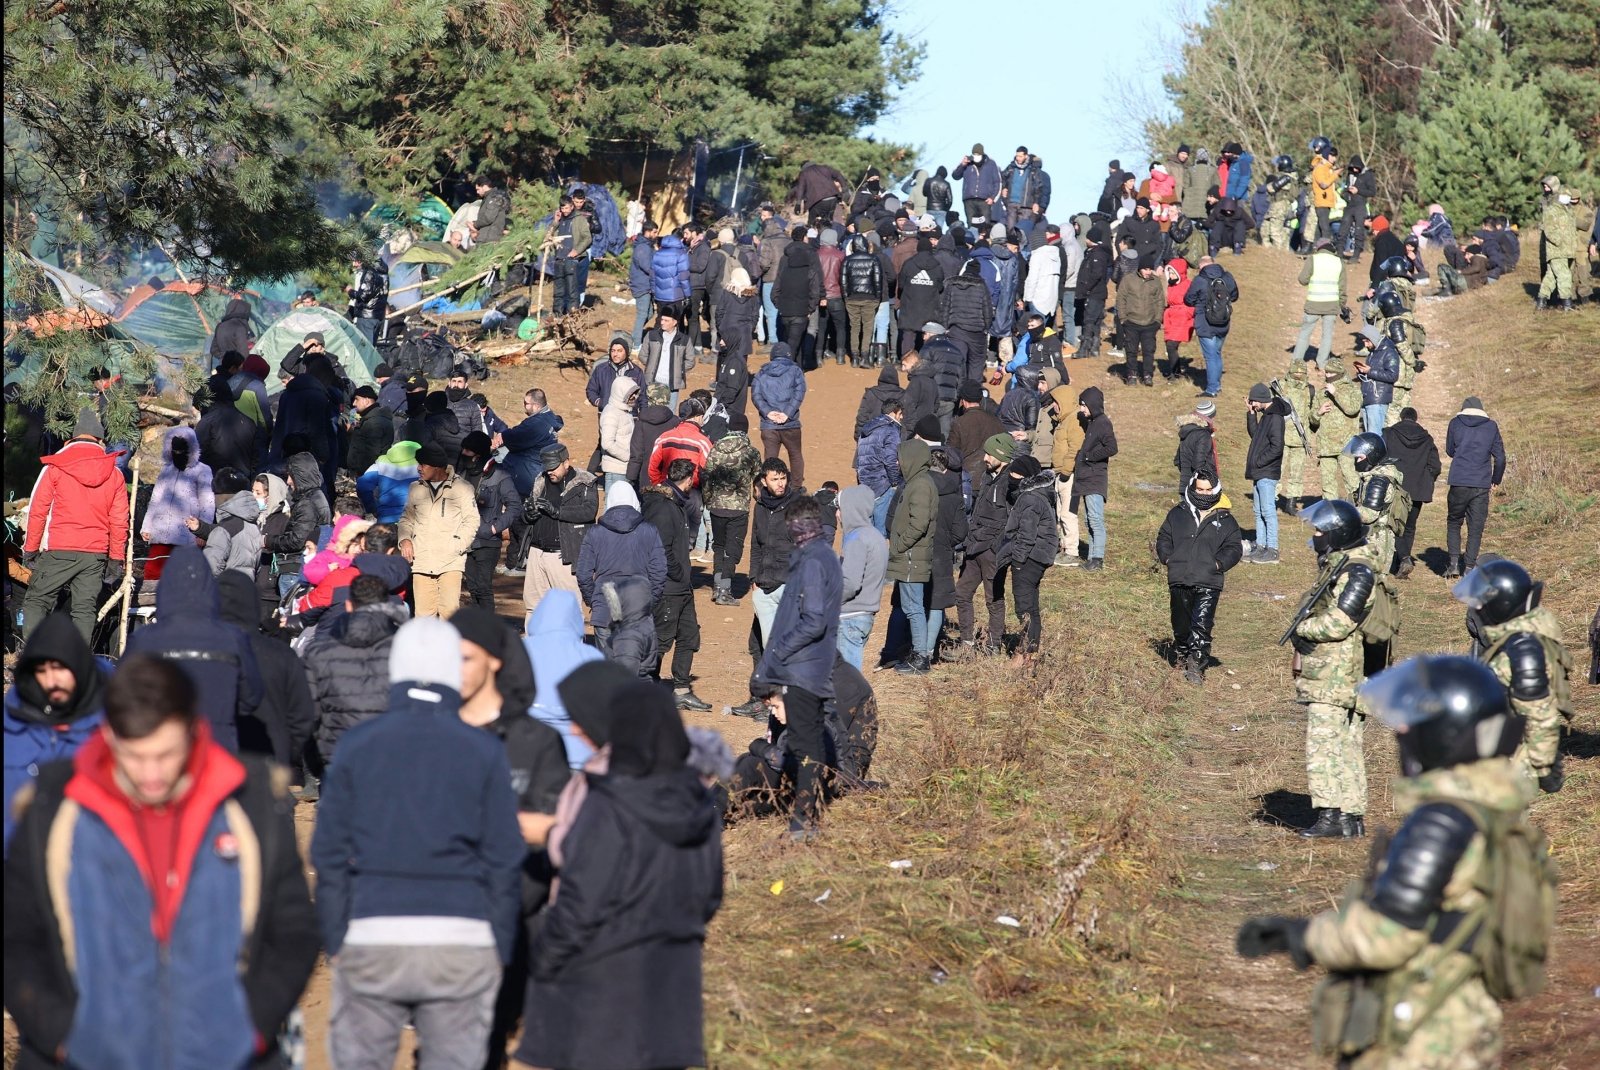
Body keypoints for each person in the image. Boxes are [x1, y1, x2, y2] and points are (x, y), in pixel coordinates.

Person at [4, 653, 319, 1070]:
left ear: (193, 731)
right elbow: (19, 936)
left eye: (166, 755)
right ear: (110, 736)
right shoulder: (55, 807)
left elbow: (292, 930)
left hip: (226, 1055)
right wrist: (60, 1033)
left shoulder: (251, 801)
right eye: (135, 758)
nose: (152, 775)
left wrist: (250, 1024)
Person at [1242, 656, 1549, 1065]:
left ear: (1441, 732)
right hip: (1466, 1018)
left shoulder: (1441, 822)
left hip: (1421, 1033)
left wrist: (1301, 936)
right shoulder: (1491, 807)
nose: (1401, 732)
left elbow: (1386, 937)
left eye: (1411, 723)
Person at [311, 618, 524, 1070]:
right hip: (463, 939)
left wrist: (337, 936)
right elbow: (505, 859)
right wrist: (499, 944)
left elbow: (328, 854)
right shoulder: (484, 750)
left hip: (371, 933)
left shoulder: (357, 746)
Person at [515, 680, 723, 1070]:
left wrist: (542, 960)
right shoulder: (698, 803)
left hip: (602, 985)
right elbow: (710, 897)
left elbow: (581, 901)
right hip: (673, 985)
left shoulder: (607, 804)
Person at [1288, 500, 1383, 839]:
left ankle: (1331, 817)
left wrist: (1304, 629)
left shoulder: (1356, 572)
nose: (1314, 536)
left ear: (1337, 533)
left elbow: (1339, 623)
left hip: (1337, 674)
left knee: (1325, 745)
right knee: (1345, 745)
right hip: (1340, 672)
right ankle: (1350, 817)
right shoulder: (1345, 564)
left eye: (1319, 531)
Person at [749, 496, 842, 840]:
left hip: (804, 668)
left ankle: (805, 821)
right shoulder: (817, 557)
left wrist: (779, 654)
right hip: (809, 666)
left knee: (805, 746)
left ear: (798, 526)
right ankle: (808, 816)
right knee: (809, 743)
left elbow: (813, 620)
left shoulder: (815, 561)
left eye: (792, 527)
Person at [1453, 559, 1574, 798]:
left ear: (1500, 605)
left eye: (1482, 603)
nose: (1478, 609)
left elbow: (1540, 715)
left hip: (1511, 767)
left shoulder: (1523, 650)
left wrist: (1545, 767)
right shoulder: (1514, 634)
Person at [124, 545, 263, 754]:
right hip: (217, 749)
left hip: (159, 751)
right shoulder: (232, 638)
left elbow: (120, 696)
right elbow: (251, 696)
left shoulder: (144, 639)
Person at [2, 613, 109, 853]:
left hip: (88, 864)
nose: (51, 681)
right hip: (19, 866)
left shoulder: (111, 725)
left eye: (60, 669)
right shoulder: (11, 723)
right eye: (41, 670)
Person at [19, 409, 129, 643]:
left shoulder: (55, 467)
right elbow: (119, 521)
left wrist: (30, 549)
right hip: (95, 554)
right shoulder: (115, 474)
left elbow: (38, 511)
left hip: (60, 548)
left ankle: (34, 659)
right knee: (84, 610)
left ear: (71, 439)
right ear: (100, 440)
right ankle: (78, 666)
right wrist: (115, 559)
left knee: (37, 600)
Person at [1157, 471, 1244, 683]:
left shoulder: (1226, 519)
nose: (1204, 494)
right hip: (1179, 577)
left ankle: (1196, 664)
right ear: (1193, 488)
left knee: (1201, 624)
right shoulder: (1177, 513)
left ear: (1215, 490)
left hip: (1208, 581)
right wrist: (1168, 558)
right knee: (1181, 624)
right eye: (1200, 489)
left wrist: (1218, 564)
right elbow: (1163, 538)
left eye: (1208, 490)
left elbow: (1234, 548)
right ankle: (1182, 655)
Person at [641, 459, 709, 711]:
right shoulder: (664, 507)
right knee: (661, 640)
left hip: (681, 586)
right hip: (669, 587)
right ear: (689, 479)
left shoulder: (673, 503)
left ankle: (681, 689)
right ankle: (647, 685)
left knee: (689, 636)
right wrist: (679, 572)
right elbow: (660, 549)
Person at [573, 482, 666, 649]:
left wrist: (594, 600)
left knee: (608, 670)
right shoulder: (650, 530)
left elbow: (583, 573)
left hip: (605, 608)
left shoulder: (595, 532)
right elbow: (659, 573)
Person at [397, 441, 478, 618]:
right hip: (421, 560)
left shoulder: (462, 488)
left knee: (449, 614)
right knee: (423, 615)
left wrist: (457, 546)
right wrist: (405, 539)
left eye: (423, 465)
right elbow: (407, 518)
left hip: (450, 562)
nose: (419, 468)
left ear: (437, 467)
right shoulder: (415, 488)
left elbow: (472, 521)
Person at [995, 455, 1056, 666]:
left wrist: (1018, 560)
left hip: (1029, 559)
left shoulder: (1029, 499)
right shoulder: (1039, 494)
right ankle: (1032, 653)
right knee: (1032, 608)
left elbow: (1026, 535)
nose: (1011, 477)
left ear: (1027, 477)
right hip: (1038, 557)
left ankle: (1024, 656)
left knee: (1024, 609)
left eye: (1016, 474)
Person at [456, 431, 522, 610]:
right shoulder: (461, 473)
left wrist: (494, 528)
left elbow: (515, 506)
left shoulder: (500, 475)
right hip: (465, 539)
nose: (463, 454)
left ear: (477, 455)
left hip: (488, 541)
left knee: (483, 587)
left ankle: (487, 630)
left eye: (467, 451)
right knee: (472, 587)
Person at [1443, 396, 1505, 579]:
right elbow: (1500, 457)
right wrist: (1496, 479)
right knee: (1476, 527)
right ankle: (1469, 567)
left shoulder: (1455, 423)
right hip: (1481, 483)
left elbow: (1449, 450)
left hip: (1459, 480)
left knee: (1454, 521)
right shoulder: (1491, 426)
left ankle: (1454, 564)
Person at [704, 411, 762, 606]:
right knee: (733, 550)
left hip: (716, 507)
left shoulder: (715, 449)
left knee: (718, 547)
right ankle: (724, 591)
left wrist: (708, 500)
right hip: (738, 509)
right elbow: (758, 478)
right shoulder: (751, 452)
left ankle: (718, 585)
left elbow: (707, 477)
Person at [835, 485, 889, 670]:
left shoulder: (856, 539)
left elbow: (850, 583)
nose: (837, 514)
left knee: (847, 682)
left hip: (849, 618)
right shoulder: (875, 536)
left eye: (840, 509)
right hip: (864, 616)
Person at [1383, 407, 1440, 579]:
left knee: (1394, 524)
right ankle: (1402, 563)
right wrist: (1427, 479)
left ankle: (1404, 558)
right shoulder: (1427, 439)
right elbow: (1436, 466)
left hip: (1396, 486)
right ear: (1416, 418)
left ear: (1401, 418)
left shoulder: (1388, 434)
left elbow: (1380, 456)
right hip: (1418, 488)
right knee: (1409, 527)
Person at [1345, 430, 1411, 576]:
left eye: (1359, 456)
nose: (1356, 460)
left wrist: (1346, 512)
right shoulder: (1372, 477)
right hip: (1371, 537)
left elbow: (1369, 514)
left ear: (1371, 456)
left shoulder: (1378, 481)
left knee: (1372, 586)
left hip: (1377, 541)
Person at [751, 341, 807, 487]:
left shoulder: (761, 373)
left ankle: (770, 487)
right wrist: (787, 413)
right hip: (791, 423)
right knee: (795, 455)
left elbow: (756, 395)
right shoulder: (796, 371)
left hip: (768, 425)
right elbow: (799, 393)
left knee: (770, 458)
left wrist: (768, 412)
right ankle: (796, 487)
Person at [1073, 387, 1118, 571]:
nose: (1082, 409)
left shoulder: (1103, 423)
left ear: (1093, 405)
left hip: (1095, 479)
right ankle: (1092, 558)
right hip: (1087, 478)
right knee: (1089, 520)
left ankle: (1097, 559)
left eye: (1084, 405)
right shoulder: (1093, 422)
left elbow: (1112, 448)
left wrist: (1088, 456)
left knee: (1096, 519)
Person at [1183, 255, 1239, 398]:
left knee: (1210, 357)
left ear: (1201, 266)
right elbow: (1234, 296)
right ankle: (1217, 385)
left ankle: (1212, 389)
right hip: (1224, 322)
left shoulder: (1200, 280)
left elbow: (1188, 300)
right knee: (1217, 354)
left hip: (1205, 323)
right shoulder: (1227, 277)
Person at [1243, 384, 1286, 564]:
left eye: (1253, 401)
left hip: (1267, 472)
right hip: (1260, 472)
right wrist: (1251, 413)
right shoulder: (1266, 416)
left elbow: (1277, 447)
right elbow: (1256, 435)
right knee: (1258, 511)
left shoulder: (1275, 418)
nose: (1252, 403)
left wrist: (1259, 462)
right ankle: (1261, 547)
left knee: (1268, 512)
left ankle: (1272, 550)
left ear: (1260, 399)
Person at [1311, 357, 1362, 501]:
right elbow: (1312, 421)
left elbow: (1352, 409)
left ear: (1339, 374)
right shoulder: (1321, 393)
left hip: (1346, 444)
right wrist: (1318, 412)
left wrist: (1336, 393)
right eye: (1326, 372)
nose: (1327, 376)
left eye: (1331, 373)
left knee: (1351, 480)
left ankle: (1359, 511)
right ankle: (1331, 515)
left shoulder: (1353, 390)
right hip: (1326, 445)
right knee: (1328, 485)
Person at [1292, 238, 1347, 369]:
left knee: (1305, 334)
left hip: (1314, 304)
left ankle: (1297, 363)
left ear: (1318, 248)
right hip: (1332, 305)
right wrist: (1342, 304)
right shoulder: (1339, 262)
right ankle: (1322, 364)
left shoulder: (1313, 259)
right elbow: (1342, 287)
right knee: (1327, 336)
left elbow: (1302, 279)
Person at [854, 397, 904, 535]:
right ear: (894, 413)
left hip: (864, 484)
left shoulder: (867, 430)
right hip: (882, 485)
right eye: (900, 414)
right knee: (880, 532)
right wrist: (895, 482)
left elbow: (859, 457)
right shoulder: (891, 430)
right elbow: (890, 460)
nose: (902, 417)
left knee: (865, 530)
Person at [771, 227, 823, 359]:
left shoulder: (785, 256)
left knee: (791, 337)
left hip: (787, 303)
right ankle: (808, 358)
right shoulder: (811, 253)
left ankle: (798, 366)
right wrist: (815, 303)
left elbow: (778, 282)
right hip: (804, 302)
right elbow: (817, 277)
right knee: (807, 332)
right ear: (804, 237)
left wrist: (780, 304)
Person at [640, 308, 693, 413]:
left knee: (669, 413)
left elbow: (690, 360)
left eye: (666, 320)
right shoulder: (651, 335)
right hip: (652, 381)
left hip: (672, 384)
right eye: (662, 319)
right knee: (649, 411)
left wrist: (678, 370)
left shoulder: (684, 340)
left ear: (675, 322)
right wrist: (652, 366)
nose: (662, 322)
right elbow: (642, 355)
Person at [1077, 227, 1111, 360]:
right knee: (1096, 320)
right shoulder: (1095, 253)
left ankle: (1084, 348)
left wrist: (1086, 288)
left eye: (1087, 238)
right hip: (1097, 293)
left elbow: (1096, 274)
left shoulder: (1097, 255)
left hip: (1095, 293)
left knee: (1089, 320)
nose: (1085, 240)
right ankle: (1094, 348)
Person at [953, 144, 1002, 226]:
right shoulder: (967, 163)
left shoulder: (991, 164)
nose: (975, 156)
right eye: (974, 154)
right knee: (970, 225)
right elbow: (955, 176)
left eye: (977, 154)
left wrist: (993, 198)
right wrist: (962, 165)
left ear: (982, 154)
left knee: (985, 225)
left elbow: (998, 182)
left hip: (985, 200)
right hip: (969, 200)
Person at [347, 255, 389, 344]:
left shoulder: (370, 273)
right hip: (378, 316)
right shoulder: (384, 273)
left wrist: (350, 291)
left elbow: (363, 295)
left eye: (356, 260)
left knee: (365, 348)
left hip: (366, 317)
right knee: (371, 348)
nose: (354, 264)